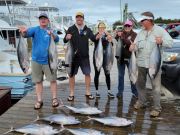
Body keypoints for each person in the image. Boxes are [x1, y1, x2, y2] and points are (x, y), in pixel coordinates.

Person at [129, 11, 173, 117]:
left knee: (156, 87)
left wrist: (161, 41)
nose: (141, 23)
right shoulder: (141, 32)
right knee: (140, 85)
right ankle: (142, 102)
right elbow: (135, 45)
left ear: (149, 20)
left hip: (154, 65)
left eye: (143, 21)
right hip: (141, 64)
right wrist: (132, 47)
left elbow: (170, 43)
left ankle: (157, 108)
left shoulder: (160, 30)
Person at [19, 13, 60, 109]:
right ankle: (39, 100)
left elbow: (57, 39)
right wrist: (23, 32)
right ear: (39, 21)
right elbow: (26, 34)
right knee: (38, 82)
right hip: (36, 61)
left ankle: (54, 99)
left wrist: (52, 35)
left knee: (53, 80)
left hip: (49, 60)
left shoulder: (51, 30)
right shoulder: (35, 29)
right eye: (41, 18)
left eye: (45, 18)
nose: (43, 20)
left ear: (48, 20)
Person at [64, 12, 100, 101]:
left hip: (84, 57)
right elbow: (65, 40)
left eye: (81, 17)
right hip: (73, 57)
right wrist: (66, 37)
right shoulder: (71, 28)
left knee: (87, 74)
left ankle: (88, 92)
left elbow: (93, 38)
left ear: (83, 18)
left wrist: (97, 36)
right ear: (75, 19)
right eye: (77, 17)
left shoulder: (87, 29)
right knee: (71, 75)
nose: (79, 19)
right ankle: (71, 93)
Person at [115, 20, 138, 98]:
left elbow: (129, 43)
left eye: (129, 26)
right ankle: (120, 92)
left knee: (132, 74)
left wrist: (122, 37)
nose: (127, 27)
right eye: (126, 26)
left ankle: (134, 91)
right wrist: (117, 35)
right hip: (121, 58)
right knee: (120, 75)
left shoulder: (135, 35)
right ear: (124, 26)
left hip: (131, 59)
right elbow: (116, 39)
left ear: (131, 26)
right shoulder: (121, 33)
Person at [93, 22, 115, 99]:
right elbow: (94, 39)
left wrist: (109, 38)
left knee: (107, 74)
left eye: (103, 28)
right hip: (97, 57)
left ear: (105, 28)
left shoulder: (107, 35)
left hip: (106, 57)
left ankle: (109, 91)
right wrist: (99, 37)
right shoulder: (96, 35)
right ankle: (97, 92)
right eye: (100, 28)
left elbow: (111, 44)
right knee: (97, 74)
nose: (102, 29)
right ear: (98, 28)